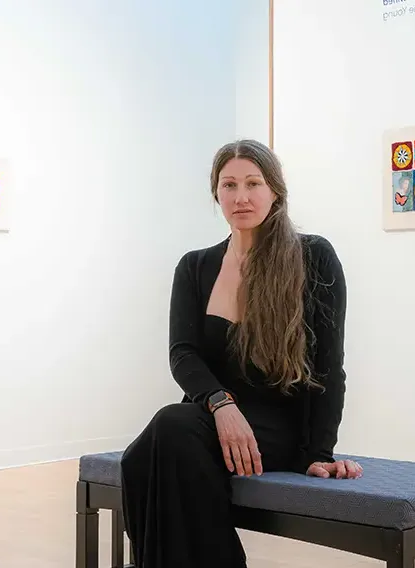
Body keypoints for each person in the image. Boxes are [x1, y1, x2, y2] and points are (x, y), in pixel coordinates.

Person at [120, 139, 362, 568]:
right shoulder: (194, 266)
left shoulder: (313, 257)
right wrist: (220, 404)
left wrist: (319, 454)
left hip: (276, 428)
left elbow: (329, 367)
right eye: (229, 185)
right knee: (141, 457)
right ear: (217, 193)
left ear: (275, 191)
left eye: (253, 183)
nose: (241, 196)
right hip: (213, 419)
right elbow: (183, 355)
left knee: (170, 427)